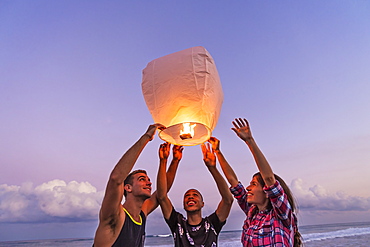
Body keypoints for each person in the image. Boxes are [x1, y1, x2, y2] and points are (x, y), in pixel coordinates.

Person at [209, 118, 302, 247]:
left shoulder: (282, 214)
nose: (247, 188)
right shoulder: (252, 213)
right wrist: (218, 152)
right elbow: (234, 182)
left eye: (253, 184)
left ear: (266, 191)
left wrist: (249, 141)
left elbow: (269, 179)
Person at [93, 124, 181, 247]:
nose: (149, 183)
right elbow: (115, 179)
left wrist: (171, 161)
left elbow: (162, 192)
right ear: (128, 188)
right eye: (142, 179)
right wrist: (146, 137)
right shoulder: (115, 215)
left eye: (148, 180)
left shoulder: (141, 214)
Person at [156, 142, 233, 247]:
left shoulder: (212, 223)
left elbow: (228, 200)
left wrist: (212, 168)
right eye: (187, 196)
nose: (190, 197)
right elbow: (161, 196)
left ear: (202, 204)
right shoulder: (177, 222)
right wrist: (164, 161)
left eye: (195, 195)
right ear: (183, 204)